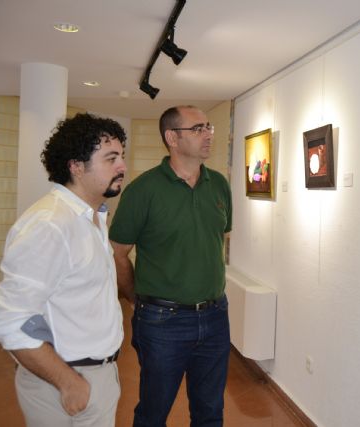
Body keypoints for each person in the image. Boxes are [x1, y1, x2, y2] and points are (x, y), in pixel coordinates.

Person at [0, 113, 127, 427]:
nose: (122, 166)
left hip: (98, 374)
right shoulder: (51, 224)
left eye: (122, 156)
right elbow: (9, 321)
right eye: (111, 158)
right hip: (65, 381)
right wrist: (68, 382)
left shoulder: (92, 218)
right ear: (76, 166)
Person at [109, 105, 232, 427]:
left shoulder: (219, 185)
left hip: (215, 316)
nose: (208, 134)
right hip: (163, 321)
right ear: (172, 138)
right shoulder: (143, 190)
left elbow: (218, 237)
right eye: (198, 129)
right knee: (153, 413)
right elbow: (118, 253)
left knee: (210, 412)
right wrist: (135, 298)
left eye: (208, 127)